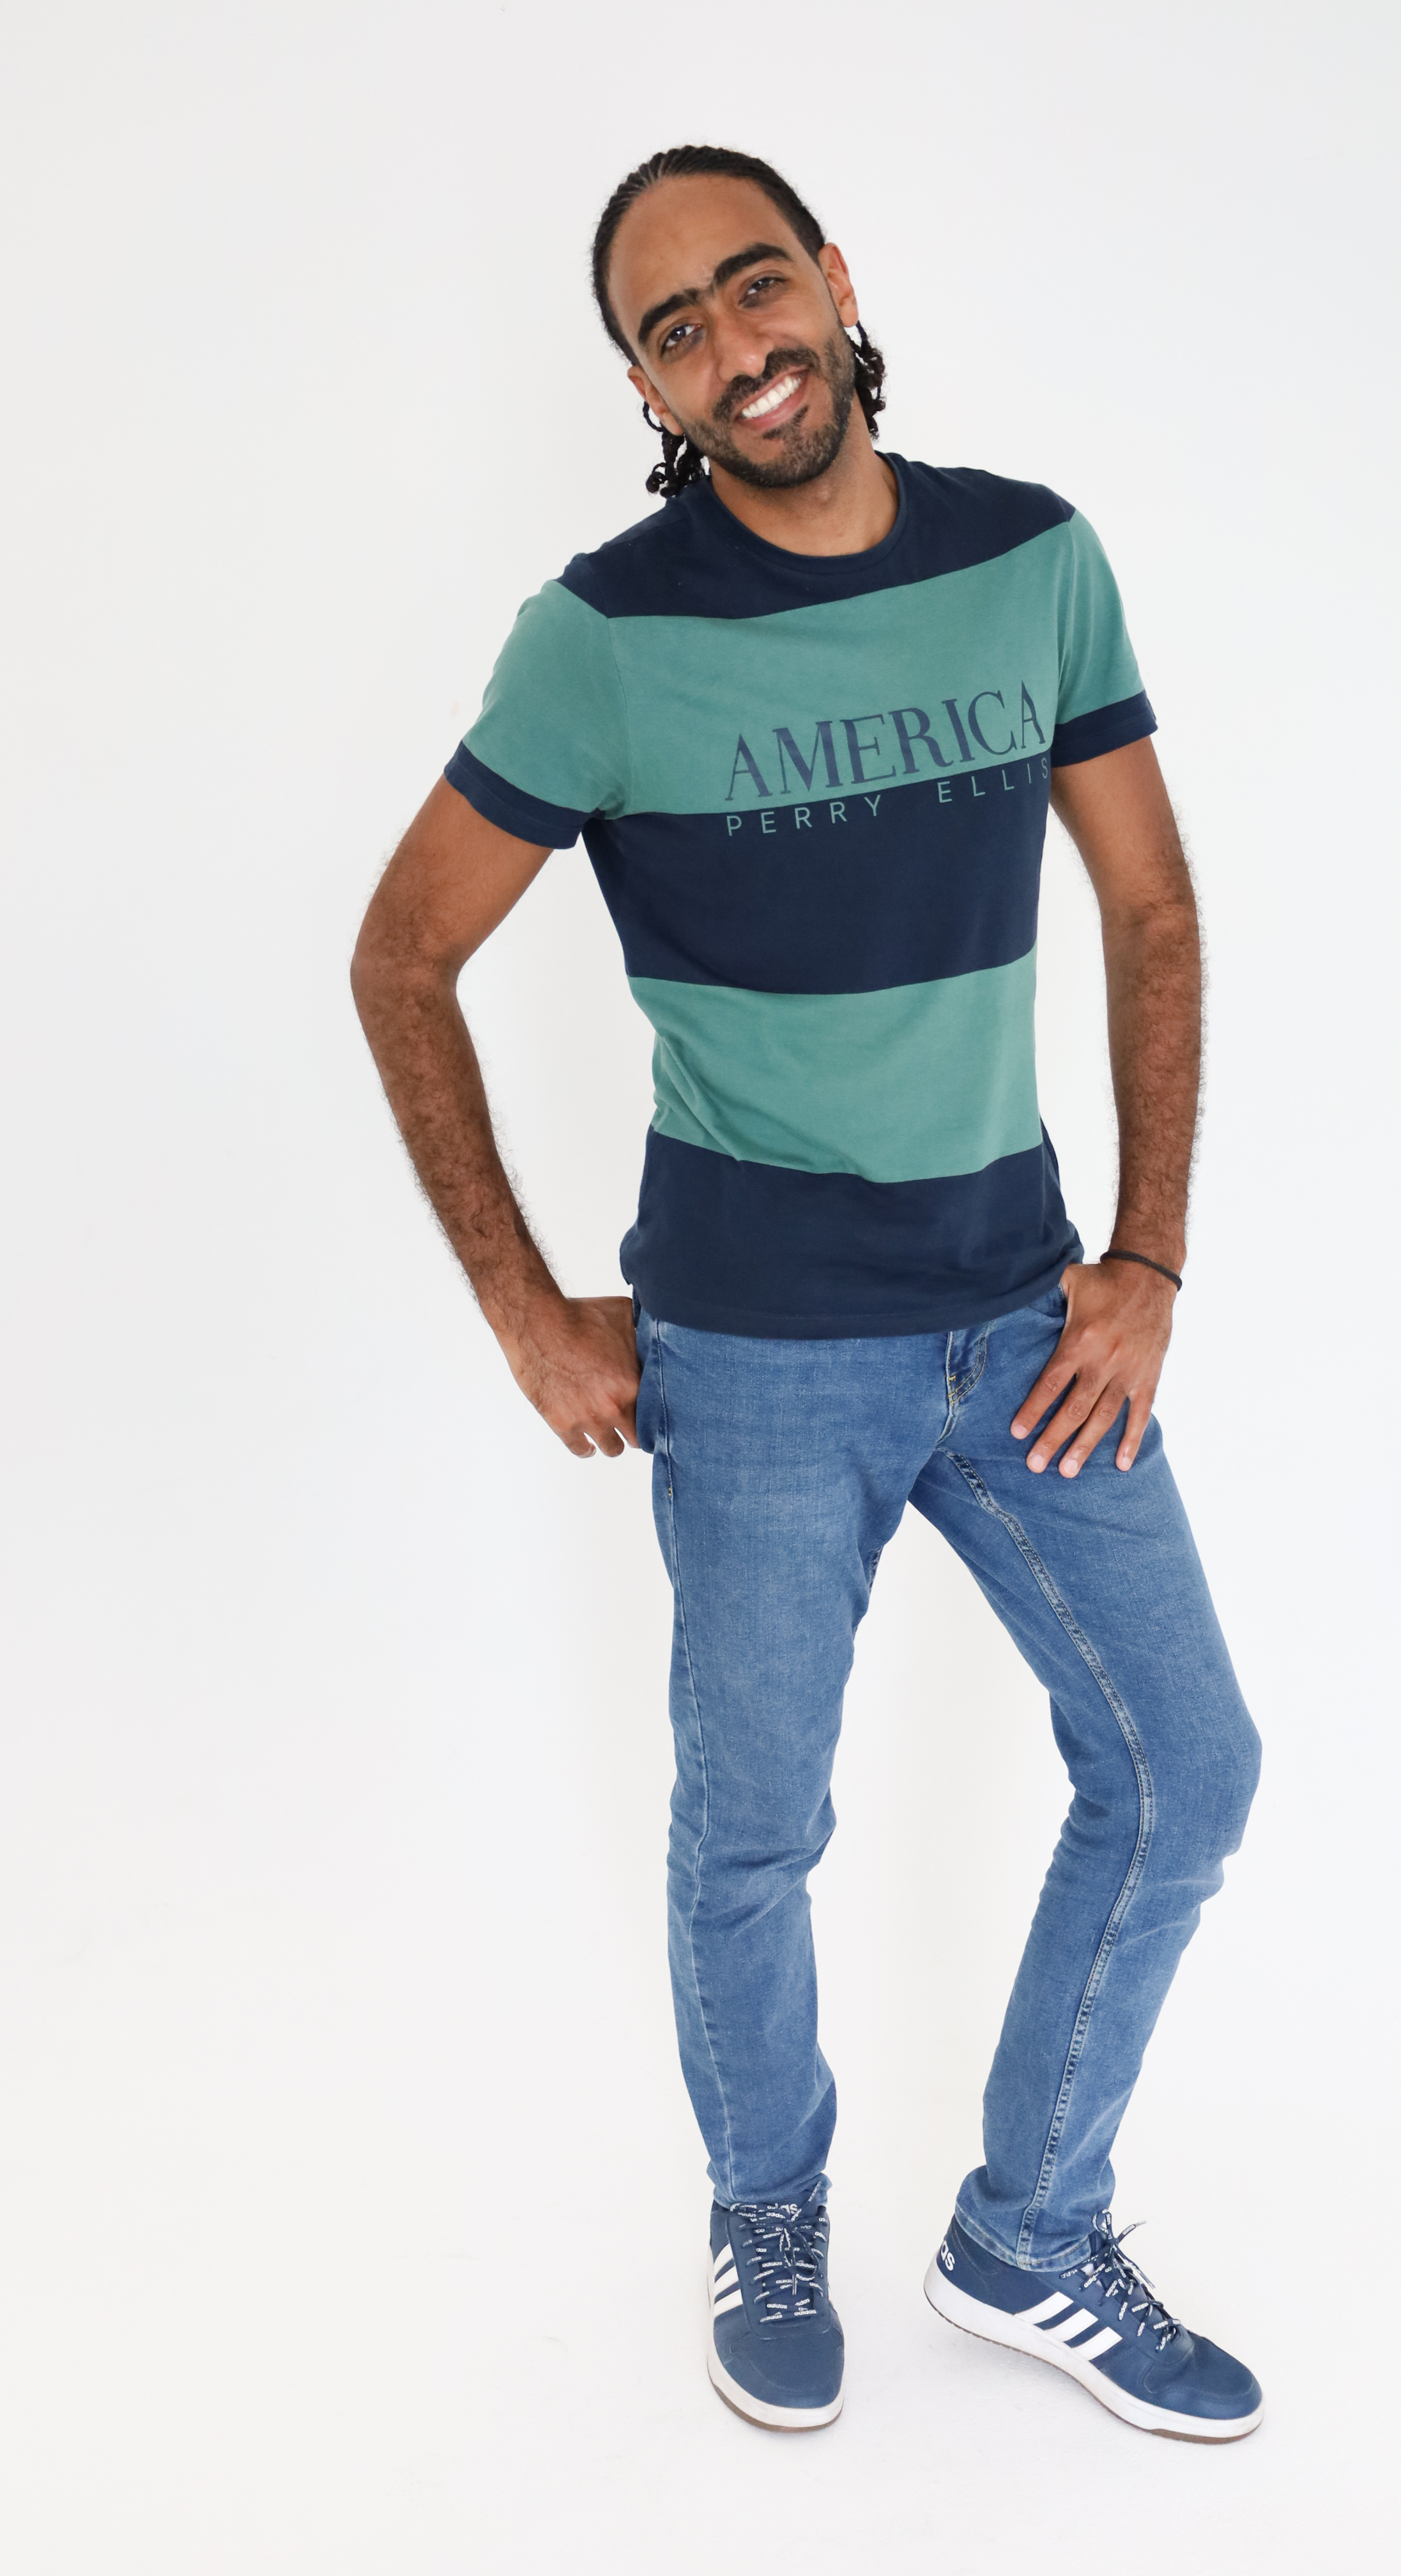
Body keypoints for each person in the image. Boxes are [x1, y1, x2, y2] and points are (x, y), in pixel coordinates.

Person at [351, 143, 1264, 2442]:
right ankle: (766, 2202)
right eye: (674, 328)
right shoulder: (598, 640)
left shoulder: (1031, 562)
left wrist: (1147, 1258)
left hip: (1026, 1324)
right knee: (753, 1830)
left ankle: (1028, 2234)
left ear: (837, 283)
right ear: (647, 388)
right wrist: (527, 1310)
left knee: (1186, 1768)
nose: (735, 347)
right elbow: (402, 956)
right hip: (753, 1355)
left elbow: (1150, 909)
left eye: (755, 286)